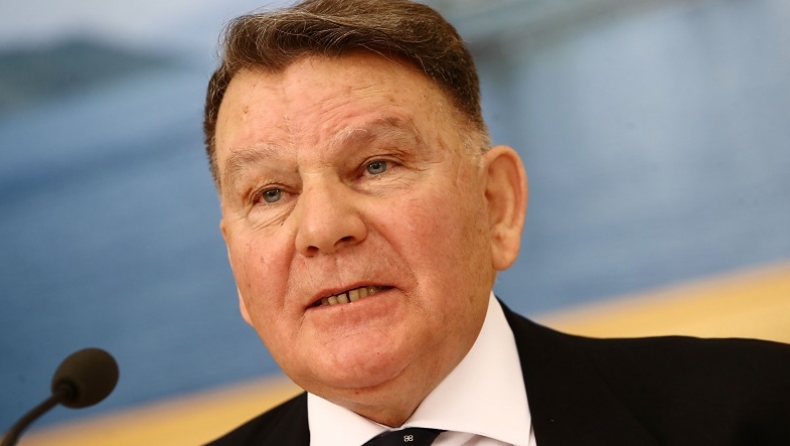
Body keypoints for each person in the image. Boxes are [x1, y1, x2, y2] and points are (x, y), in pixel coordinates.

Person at [202, 0, 790, 444]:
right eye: (271, 193)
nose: (322, 228)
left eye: (376, 165)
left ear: (496, 205)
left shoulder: (762, 408)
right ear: (237, 268)